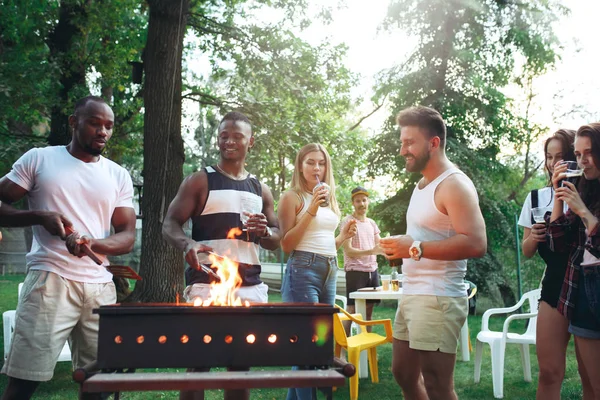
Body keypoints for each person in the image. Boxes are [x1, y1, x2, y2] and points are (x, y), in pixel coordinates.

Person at [0, 96, 137, 400]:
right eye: (95, 123)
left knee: (99, 384)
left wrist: (93, 242)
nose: (103, 131)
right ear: (74, 122)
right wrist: (39, 216)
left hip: (101, 288)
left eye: (109, 126)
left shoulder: (117, 175)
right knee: (24, 381)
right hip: (50, 281)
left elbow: (127, 235)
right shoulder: (39, 159)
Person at [162, 111, 280, 400]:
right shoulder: (201, 180)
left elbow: (276, 239)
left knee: (239, 369)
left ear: (250, 142)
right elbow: (170, 223)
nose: (229, 141)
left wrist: (265, 232)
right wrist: (187, 244)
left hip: (249, 288)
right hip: (207, 284)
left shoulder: (260, 189)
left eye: (237, 136)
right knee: (198, 364)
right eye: (224, 135)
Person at [379, 106, 487, 400]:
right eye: (402, 142)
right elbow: (425, 238)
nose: (403, 150)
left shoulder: (454, 184)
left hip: (438, 297)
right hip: (412, 292)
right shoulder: (421, 185)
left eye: (409, 142)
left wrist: (414, 248)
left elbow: (476, 243)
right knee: (403, 373)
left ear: (434, 143)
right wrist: (402, 245)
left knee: (439, 385)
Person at [277, 142, 356, 400]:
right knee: (307, 346)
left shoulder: (328, 196)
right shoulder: (293, 197)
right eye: (310, 162)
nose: (316, 167)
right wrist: (311, 210)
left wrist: (342, 236)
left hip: (329, 269)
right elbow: (287, 245)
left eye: (321, 163)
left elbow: (323, 243)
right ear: (300, 166)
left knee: (318, 344)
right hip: (302, 272)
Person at [518, 129, 576, 400]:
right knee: (549, 371)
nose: (554, 163)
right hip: (554, 281)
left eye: (561, 156)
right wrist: (536, 237)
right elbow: (527, 249)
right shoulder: (535, 199)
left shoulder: (588, 194)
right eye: (550, 157)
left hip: (586, 279)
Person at [548, 122, 600, 399]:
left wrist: (584, 212)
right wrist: (559, 195)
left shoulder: (585, 200)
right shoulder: (585, 189)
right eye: (578, 155)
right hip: (583, 294)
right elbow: (557, 244)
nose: (583, 161)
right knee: (592, 388)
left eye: (589, 153)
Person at [341, 186, 383, 331]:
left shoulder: (372, 223)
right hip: (355, 271)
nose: (362, 204)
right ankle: (342, 351)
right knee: (351, 311)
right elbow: (349, 250)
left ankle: (366, 348)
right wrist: (372, 250)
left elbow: (381, 244)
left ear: (368, 201)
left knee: (368, 314)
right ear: (353, 203)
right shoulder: (349, 222)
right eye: (358, 201)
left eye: (364, 200)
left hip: (372, 271)